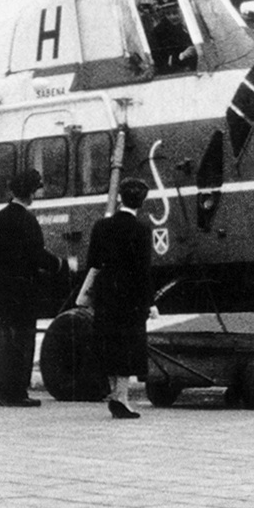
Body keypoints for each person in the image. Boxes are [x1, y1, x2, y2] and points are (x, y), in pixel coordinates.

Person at [0, 169, 66, 407]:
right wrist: (59, 265)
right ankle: (17, 393)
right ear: (29, 193)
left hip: (2, 288)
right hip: (24, 290)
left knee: (5, 341)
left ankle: (1, 392)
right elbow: (37, 254)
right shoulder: (27, 220)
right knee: (22, 341)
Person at [85, 176, 155, 419]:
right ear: (141, 202)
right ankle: (121, 398)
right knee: (127, 346)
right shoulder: (142, 229)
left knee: (109, 343)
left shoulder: (101, 226)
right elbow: (144, 271)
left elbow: (92, 262)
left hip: (106, 293)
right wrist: (150, 302)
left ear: (120, 198)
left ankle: (115, 393)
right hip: (130, 297)